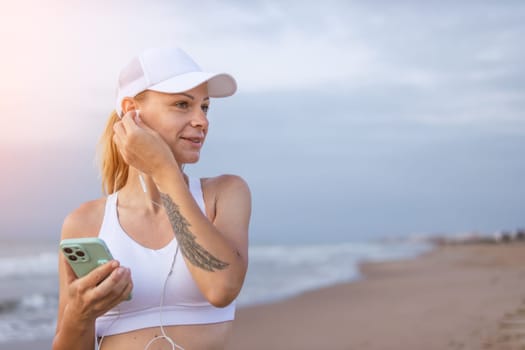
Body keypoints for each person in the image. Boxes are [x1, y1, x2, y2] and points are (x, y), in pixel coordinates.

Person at [52, 47, 251, 350]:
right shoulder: (85, 222)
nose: (202, 121)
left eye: (205, 107)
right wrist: (79, 316)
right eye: (183, 104)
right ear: (132, 111)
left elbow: (221, 288)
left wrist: (163, 171)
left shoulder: (224, 194)